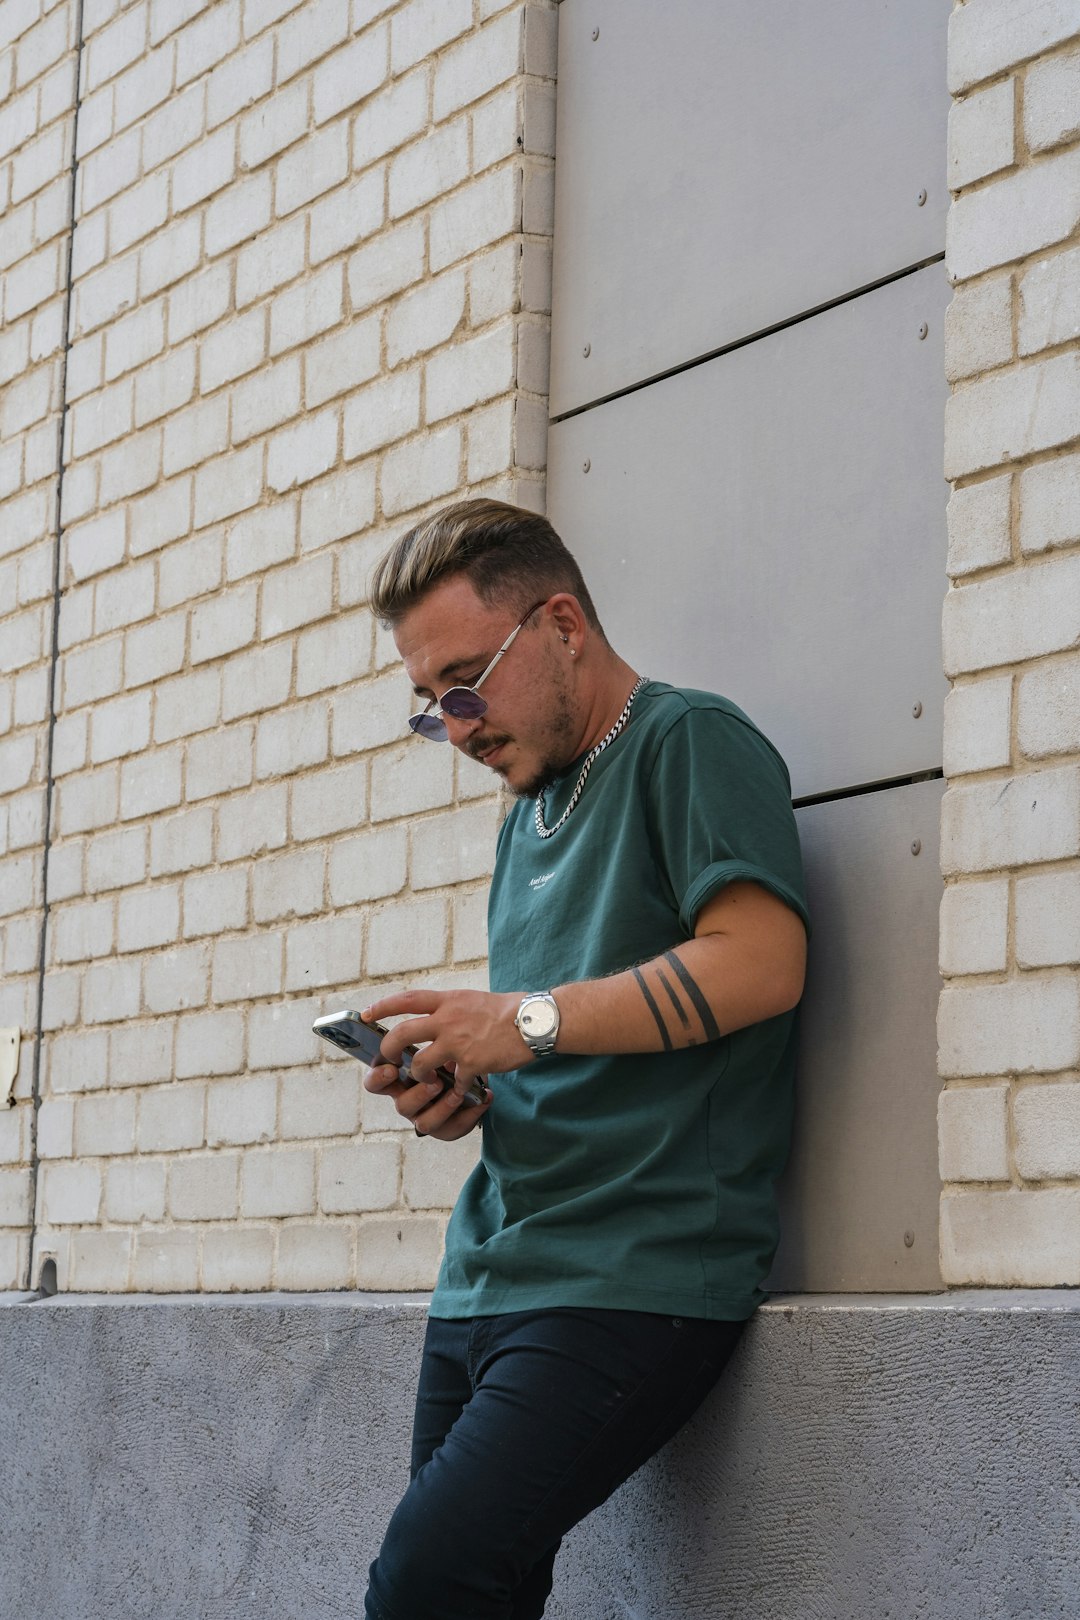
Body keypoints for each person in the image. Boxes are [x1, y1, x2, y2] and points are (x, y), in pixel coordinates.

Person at [360, 499, 809, 1620]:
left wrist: (522, 1024)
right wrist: (464, 1083)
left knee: (425, 1580)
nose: (456, 727)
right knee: (478, 1591)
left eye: (466, 683)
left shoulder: (690, 741)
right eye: (429, 705)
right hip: (490, 1270)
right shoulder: (532, 809)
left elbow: (761, 962)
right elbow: (558, 1026)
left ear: (560, 623)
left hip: (633, 1270)